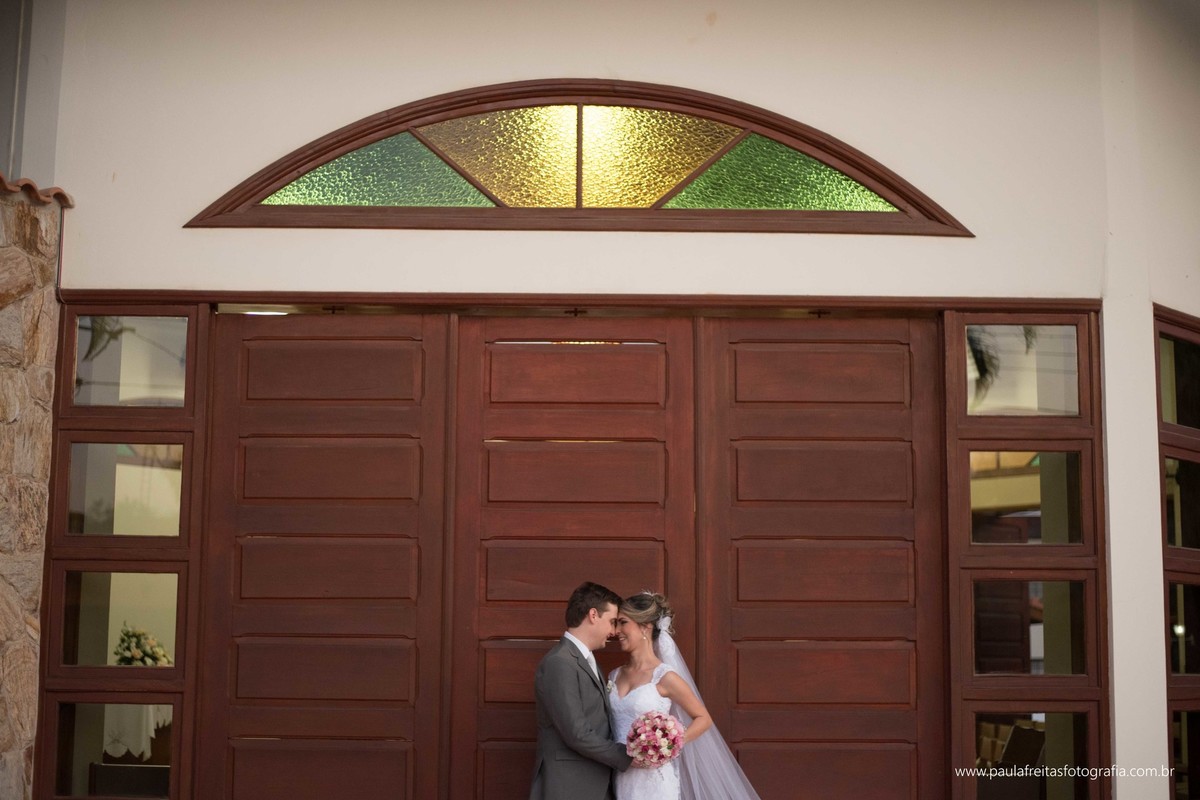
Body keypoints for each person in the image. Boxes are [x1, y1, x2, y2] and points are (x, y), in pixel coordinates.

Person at [608, 592, 762, 800]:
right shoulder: (614, 675)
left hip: (654, 781)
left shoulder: (665, 677)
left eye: (623, 623)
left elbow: (703, 718)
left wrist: (667, 745)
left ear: (645, 626)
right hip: (620, 775)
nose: (616, 631)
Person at [531, 582, 634, 800]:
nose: (615, 631)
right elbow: (577, 734)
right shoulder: (559, 662)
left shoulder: (587, 660)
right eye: (612, 622)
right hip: (570, 785)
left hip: (594, 782)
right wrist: (629, 756)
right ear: (593, 615)